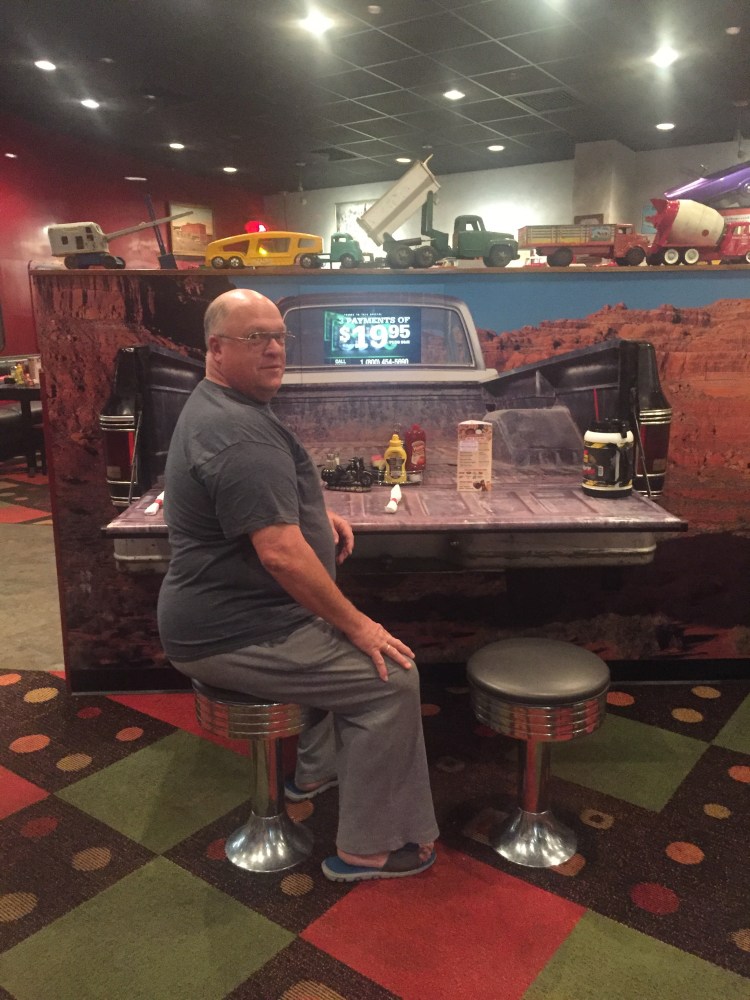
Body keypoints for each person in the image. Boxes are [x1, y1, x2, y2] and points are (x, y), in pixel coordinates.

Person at [157, 288, 438, 882]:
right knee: (391, 679)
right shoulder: (238, 432)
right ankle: (370, 847)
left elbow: (257, 505)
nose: (274, 349)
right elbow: (281, 555)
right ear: (216, 348)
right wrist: (360, 626)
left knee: (334, 637)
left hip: (241, 615)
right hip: (235, 630)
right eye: (255, 338)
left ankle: (314, 774)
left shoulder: (221, 404)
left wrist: (312, 513)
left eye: (279, 336)